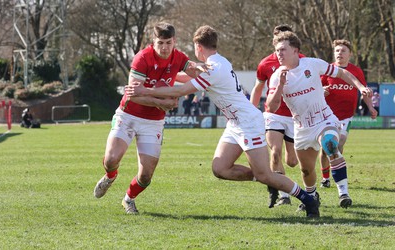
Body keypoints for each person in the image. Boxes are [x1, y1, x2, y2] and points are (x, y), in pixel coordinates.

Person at [128, 25, 320, 217]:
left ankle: (308, 199)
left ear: (198, 47)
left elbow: (180, 90)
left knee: (264, 174)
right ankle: (269, 181)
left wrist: (145, 90)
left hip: (247, 122)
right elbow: (186, 77)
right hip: (235, 123)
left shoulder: (214, 68)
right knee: (220, 168)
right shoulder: (217, 63)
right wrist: (161, 75)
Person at [93, 22, 209, 214]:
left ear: (175, 42)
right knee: (111, 159)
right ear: (153, 42)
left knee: (146, 175)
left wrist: (207, 68)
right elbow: (134, 95)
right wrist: (162, 102)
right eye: (160, 43)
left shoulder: (179, 57)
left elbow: (192, 71)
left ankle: (128, 199)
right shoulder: (142, 58)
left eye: (168, 43)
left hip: (154, 122)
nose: (164, 48)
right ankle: (110, 176)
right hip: (128, 114)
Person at [266, 31, 372, 209]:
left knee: (331, 145)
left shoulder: (312, 64)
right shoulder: (277, 76)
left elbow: (342, 73)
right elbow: (272, 106)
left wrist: (361, 87)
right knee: (306, 171)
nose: (279, 54)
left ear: (295, 50)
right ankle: (312, 195)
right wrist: (281, 86)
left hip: (324, 119)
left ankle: (343, 193)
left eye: (283, 49)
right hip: (302, 128)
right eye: (277, 50)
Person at [250, 24, 301, 208]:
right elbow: (257, 89)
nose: (278, 43)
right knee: (275, 152)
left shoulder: (302, 61)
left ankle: (288, 185)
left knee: (292, 161)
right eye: (276, 39)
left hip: (295, 116)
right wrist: (249, 111)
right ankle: (283, 194)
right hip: (273, 115)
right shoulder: (265, 64)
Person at [319, 39, 377, 188]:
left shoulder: (356, 71)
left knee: (339, 144)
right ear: (334, 53)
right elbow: (315, 90)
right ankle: (325, 178)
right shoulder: (327, 70)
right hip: (326, 116)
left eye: (343, 50)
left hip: (346, 116)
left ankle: (337, 174)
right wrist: (321, 91)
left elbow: (363, 91)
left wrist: (370, 107)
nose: (340, 53)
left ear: (349, 54)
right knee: (326, 149)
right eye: (337, 50)